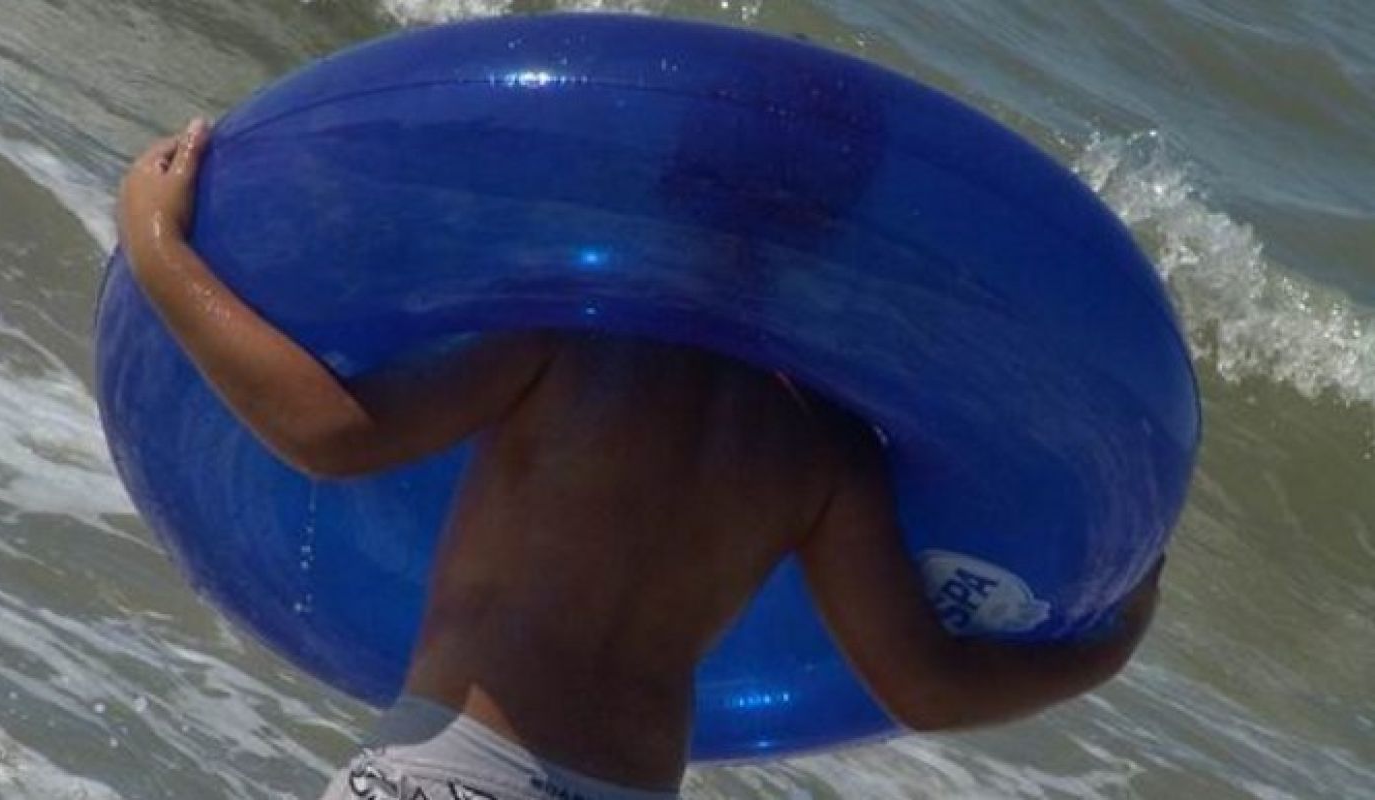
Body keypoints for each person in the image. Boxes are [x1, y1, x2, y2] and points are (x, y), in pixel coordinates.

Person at [117, 119, 1162, 800]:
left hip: (455, 770)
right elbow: (924, 686)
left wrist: (158, 244)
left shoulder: (570, 351)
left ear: (665, 183)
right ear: (832, 238)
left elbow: (331, 433)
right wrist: (1107, 644)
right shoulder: (820, 448)